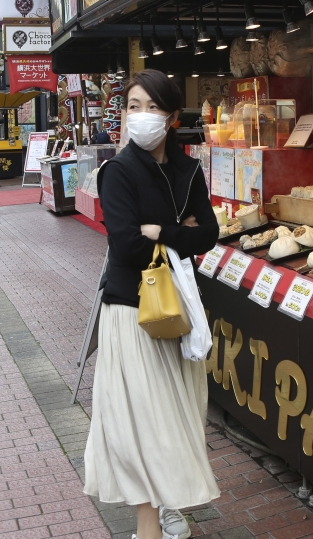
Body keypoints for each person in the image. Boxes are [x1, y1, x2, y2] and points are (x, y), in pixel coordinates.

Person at [83, 70, 219, 539]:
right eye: (132, 106)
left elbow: (211, 234)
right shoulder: (117, 171)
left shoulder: (188, 169)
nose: (139, 116)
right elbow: (124, 245)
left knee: (178, 413)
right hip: (130, 311)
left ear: (172, 117)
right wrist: (181, 230)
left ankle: (168, 502)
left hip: (179, 309)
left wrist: (162, 232)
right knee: (139, 419)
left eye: (149, 107)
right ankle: (150, 524)